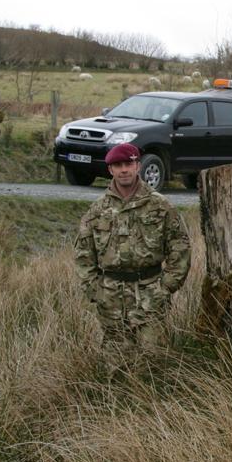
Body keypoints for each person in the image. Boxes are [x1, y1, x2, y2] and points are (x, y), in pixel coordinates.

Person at [74, 143, 193, 348]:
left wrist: (164, 288)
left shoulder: (160, 205)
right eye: (118, 165)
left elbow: (180, 247)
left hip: (151, 293)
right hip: (111, 298)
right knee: (115, 362)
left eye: (128, 164)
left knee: (152, 358)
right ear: (110, 170)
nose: (124, 170)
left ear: (138, 166)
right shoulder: (97, 209)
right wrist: (95, 291)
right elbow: (83, 253)